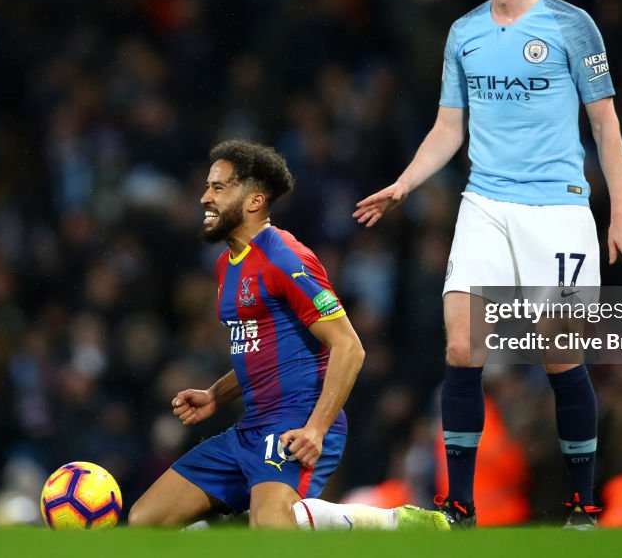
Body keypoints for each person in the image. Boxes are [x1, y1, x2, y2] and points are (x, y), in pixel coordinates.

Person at [354, 0, 622, 528]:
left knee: (560, 356)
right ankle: (459, 506)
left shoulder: (573, 26)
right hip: (485, 203)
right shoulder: (464, 33)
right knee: (462, 345)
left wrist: (620, 213)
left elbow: (605, 123)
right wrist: (405, 184)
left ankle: (582, 504)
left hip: (559, 208)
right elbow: (448, 127)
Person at [129, 140, 448, 530]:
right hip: (251, 426)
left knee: (271, 525)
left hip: (296, 421)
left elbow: (349, 346)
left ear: (253, 201)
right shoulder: (225, 267)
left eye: (217, 188)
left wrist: (316, 427)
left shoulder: (284, 257)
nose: (203, 198)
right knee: (146, 521)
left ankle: (394, 524)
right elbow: (264, 352)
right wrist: (216, 394)